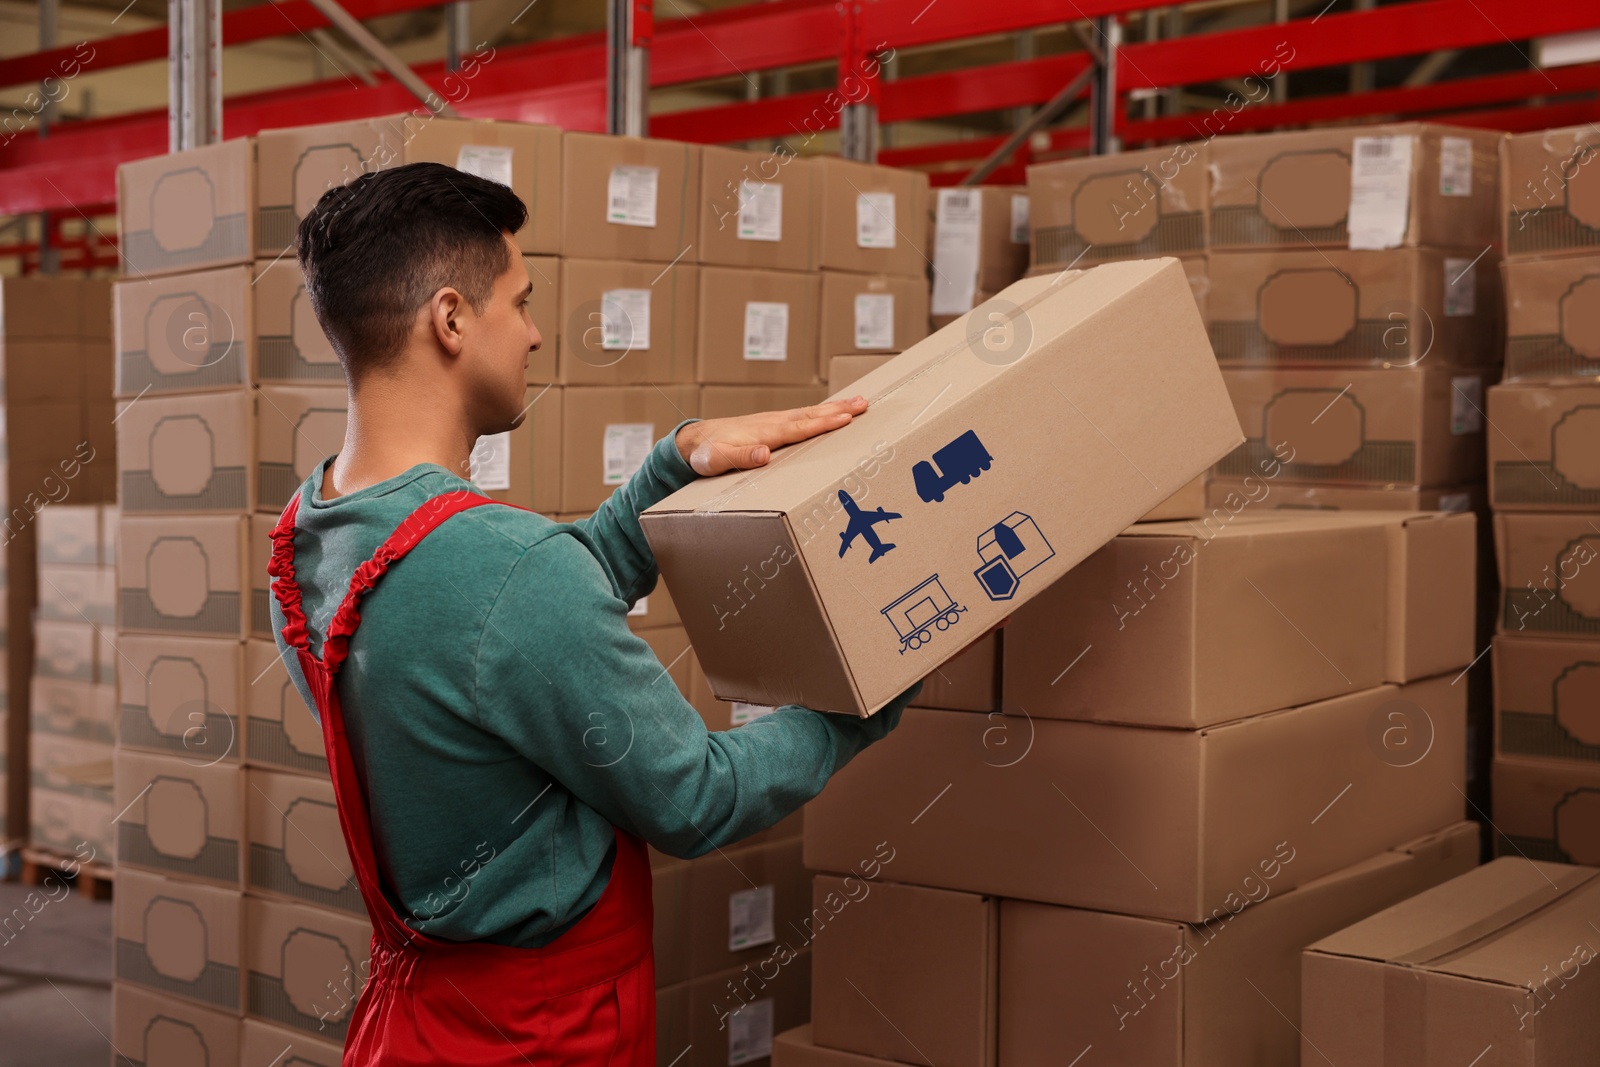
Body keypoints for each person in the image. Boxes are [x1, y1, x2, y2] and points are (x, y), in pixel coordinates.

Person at [266, 160, 921, 1066]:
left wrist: (677, 460)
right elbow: (697, 796)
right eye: (522, 303)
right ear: (451, 319)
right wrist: (879, 680)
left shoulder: (311, 534)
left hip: (422, 1018)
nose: (535, 335)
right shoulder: (501, 566)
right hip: (543, 1030)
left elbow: (503, 633)